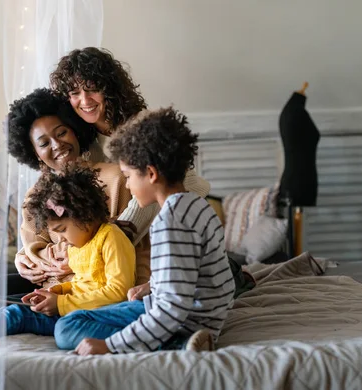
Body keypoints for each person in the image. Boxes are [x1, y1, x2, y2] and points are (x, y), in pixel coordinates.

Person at [53, 107, 235, 354]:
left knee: (67, 327)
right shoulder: (197, 205)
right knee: (84, 315)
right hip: (208, 317)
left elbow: (171, 310)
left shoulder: (169, 221)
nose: (126, 183)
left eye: (128, 176)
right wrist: (153, 285)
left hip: (184, 325)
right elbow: (196, 272)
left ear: (150, 173)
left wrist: (109, 345)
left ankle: (175, 345)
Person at [50, 47, 211, 245]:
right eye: (75, 93)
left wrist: (107, 244)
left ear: (109, 88)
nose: (84, 100)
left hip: (180, 212)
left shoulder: (141, 125)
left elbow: (150, 195)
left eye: (92, 89)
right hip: (133, 228)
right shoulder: (81, 140)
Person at [6, 88, 151, 291]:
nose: (57, 145)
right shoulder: (34, 197)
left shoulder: (116, 179)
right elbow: (33, 252)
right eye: (44, 143)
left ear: (74, 130)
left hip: (109, 291)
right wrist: (28, 257)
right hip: (54, 293)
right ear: (35, 153)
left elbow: (133, 245)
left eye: (62, 132)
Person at [0, 166, 136, 338]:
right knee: (12, 308)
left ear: (84, 215)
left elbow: (119, 292)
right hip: (75, 307)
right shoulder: (79, 246)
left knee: (15, 315)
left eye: (62, 229)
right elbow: (82, 283)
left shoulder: (111, 238)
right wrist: (59, 291)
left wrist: (61, 303)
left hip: (95, 314)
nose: (60, 238)